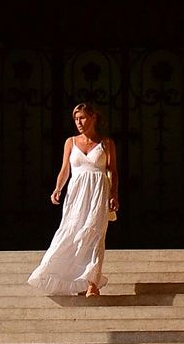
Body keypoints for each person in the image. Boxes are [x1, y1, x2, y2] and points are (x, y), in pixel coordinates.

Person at [27, 104, 120, 297]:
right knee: (71, 233)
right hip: (76, 195)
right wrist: (57, 188)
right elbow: (65, 170)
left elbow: (113, 172)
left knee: (94, 235)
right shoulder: (70, 142)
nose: (79, 122)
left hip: (98, 192)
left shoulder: (106, 143)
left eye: (83, 118)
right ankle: (76, 281)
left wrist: (114, 195)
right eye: (76, 119)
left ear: (93, 118)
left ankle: (92, 283)